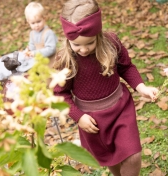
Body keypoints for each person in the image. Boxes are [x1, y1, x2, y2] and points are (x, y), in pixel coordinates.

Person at [52, 0, 158, 175]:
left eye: (89, 43)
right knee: (112, 158)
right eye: (76, 44)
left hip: (120, 109)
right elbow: (60, 94)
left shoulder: (111, 43)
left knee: (132, 156)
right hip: (93, 120)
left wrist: (141, 87)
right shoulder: (65, 60)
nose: (84, 49)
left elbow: (126, 67)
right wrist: (79, 117)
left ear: (98, 33)